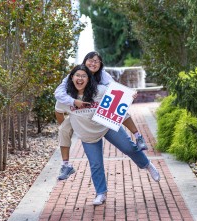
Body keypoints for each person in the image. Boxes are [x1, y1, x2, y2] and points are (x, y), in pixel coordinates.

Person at [55, 64, 160, 205]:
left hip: (106, 126)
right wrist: (66, 126)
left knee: (129, 147)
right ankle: (101, 193)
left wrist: (130, 94)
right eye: (77, 75)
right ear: (71, 78)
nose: (80, 78)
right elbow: (59, 112)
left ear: (89, 78)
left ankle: (147, 164)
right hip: (88, 135)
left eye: (83, 76)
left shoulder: (100, 91)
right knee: (96, 164)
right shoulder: (66, 97)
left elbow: (119, 97)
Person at [54, 51, 148, 180]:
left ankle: (138, 136)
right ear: (84, 61)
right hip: (78, 112)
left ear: (100, 64)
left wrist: (129, 94)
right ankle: (66, 165)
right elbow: (58, 93)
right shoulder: (75, 74)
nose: (93, 63)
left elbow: (116, 91)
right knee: (63, 129)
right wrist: (73, 103)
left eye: (96, 61)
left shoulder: (103, 76)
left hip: (98, 111)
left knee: (119, 110)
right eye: (90, 60)